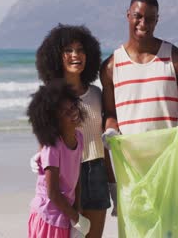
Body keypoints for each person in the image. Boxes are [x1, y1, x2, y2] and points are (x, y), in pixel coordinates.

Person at [100, 0, 178, 216]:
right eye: (138, 16)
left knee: (169, 228)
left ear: (157, 20)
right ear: (128, 15)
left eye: (150, 18)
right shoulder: (111, 66)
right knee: (137, 228)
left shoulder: (176, 58)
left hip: (170, 162)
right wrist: (110, 129)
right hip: (131, 164)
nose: (143, 23)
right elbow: (110, 113)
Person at [30, 24, 117, 238]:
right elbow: (47, 137)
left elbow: (101, 141)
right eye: (68, 50)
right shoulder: (51, 97)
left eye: (80, 50)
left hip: (96, 172)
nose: (75, 55)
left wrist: (113, 183)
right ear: (56, 57)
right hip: (66, 177)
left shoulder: (97, 94)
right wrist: (39, 156)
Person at [26, 80, 90, 238]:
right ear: (54, 121)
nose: (73, 113)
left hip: (64, 214)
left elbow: (76, 180)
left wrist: (77, 212)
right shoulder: (53, 147)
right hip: (48, 216)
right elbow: (53, 192)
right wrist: (76, 218)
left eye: (73, 107)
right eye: (65, 112)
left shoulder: (79, 138)